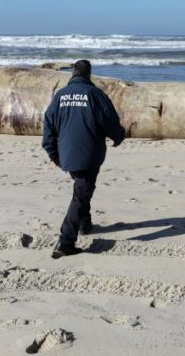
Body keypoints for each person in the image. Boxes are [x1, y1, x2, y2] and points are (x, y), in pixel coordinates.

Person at [42, 60, 125, 258]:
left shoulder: (60, 96)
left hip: (67, 155)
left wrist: (54, 155)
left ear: (72, 73)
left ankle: (85, 224)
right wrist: (118, 136)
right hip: (89, 155)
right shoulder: (95, 95)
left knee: (83, 188)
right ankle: (65, 241)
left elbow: (48, 128)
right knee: (81, 194)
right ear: (89, 74)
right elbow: (110, 120)